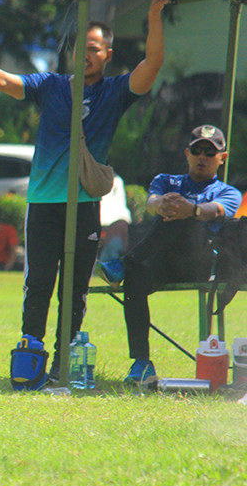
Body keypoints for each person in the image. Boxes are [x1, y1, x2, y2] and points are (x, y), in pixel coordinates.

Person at [0, 0, 169, 377]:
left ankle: (65, 360)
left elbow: (153, 63)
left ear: (107, 55)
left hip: (83, 204)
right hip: (44, 201)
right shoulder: (51, 86)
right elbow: (6, 81)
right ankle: (30, 353)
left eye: (95, 49)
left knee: (75, 288)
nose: (87, 54)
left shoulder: (114, 93)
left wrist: (154, 16)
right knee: (40, 280)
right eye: (82, 48)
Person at [96, 125, 242, 386]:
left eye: (210, 152)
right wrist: (161, 204)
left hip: (201, 262)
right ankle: (142, 362)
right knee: (136, 278)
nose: (202, 157)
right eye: (197, 150)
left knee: (183, 214)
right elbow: (152, 203)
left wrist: (192, 210)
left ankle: (124, 263)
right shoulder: (166, 180)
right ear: (187, 153)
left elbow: (218, 210)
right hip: (162, 261)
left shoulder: (228, 191)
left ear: (223, 157)